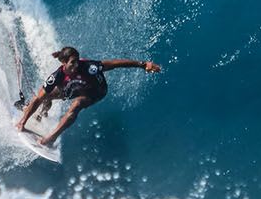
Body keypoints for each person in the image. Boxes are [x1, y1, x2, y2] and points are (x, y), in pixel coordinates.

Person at [14, 46, 161, 147]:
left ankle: (51, 138)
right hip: (75, 88)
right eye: (72, 62)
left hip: (96, 91)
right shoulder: (57, 76)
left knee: (76, 105)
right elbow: (38, 98)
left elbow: (115, 63)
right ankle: (41, 115)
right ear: (64, 63)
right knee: (45, 97)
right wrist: (22, 122)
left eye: (77, 61)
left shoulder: (90, 68)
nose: (76, 65)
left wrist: (143, 64)